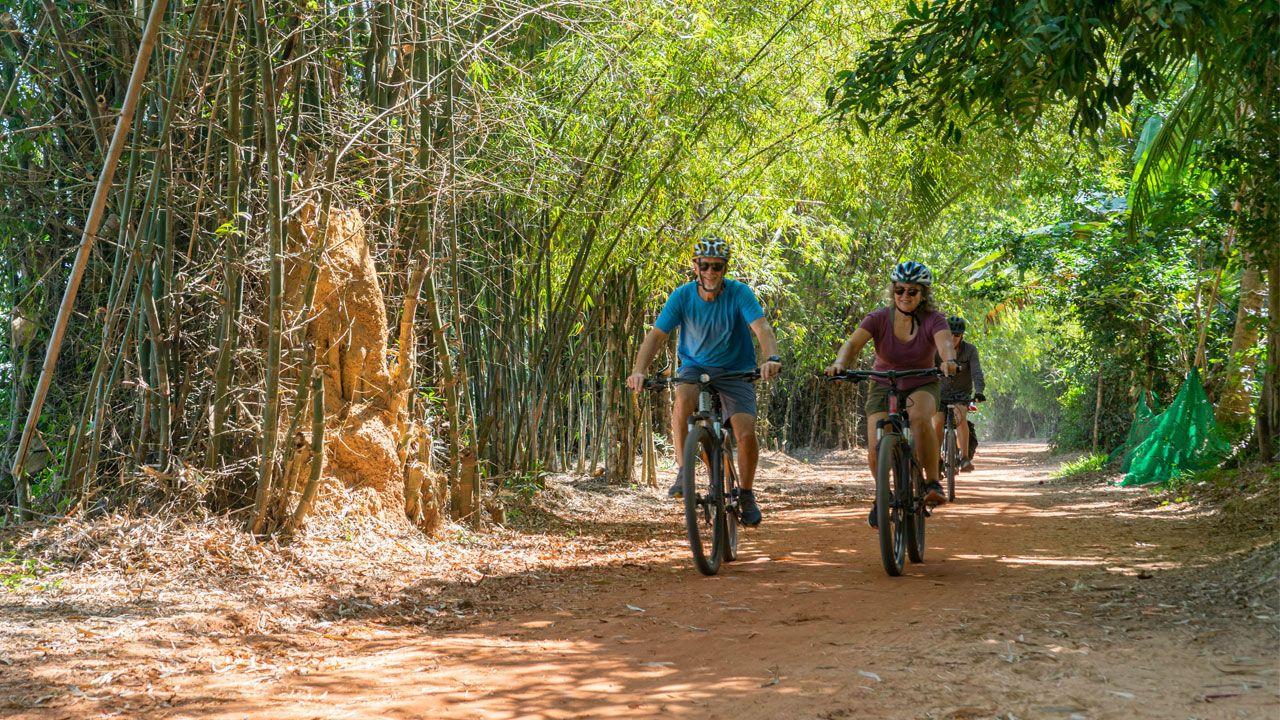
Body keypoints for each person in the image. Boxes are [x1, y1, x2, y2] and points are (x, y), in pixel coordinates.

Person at [626, 237, 782, 527]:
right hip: (695, 366)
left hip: (736, 369)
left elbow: (761, 327)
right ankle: (683, 471)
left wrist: (771, 358)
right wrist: (638, 371)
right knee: (683, 399)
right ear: (695, 267)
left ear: (725, 269)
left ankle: (747, 494)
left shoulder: (739, 293)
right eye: (705, 266)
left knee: (745, 432)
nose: (711, 272)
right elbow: (656, 335)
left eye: (717, 267)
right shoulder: (683, 296)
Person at [823, 261, 957, 527]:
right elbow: (852, 344)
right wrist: (840, 363)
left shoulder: (934, 319)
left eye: (912, 291)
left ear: (923, 294)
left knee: (919, 418)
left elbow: (945, 344)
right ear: (893, 291)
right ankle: (883, 495)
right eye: (899, 290)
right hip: (883, 383)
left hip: (922, 382)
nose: (905, 296)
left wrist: (948, 361)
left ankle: (932, 482)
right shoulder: (878, 318)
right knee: (876, 442)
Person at [933, 316, 986, 472]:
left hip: (961, 394)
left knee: (960, 417)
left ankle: (964, 458)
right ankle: (936, 460)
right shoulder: (936, 350)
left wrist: (979, 391)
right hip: (940, 394)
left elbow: (977, 372)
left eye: (956, 335)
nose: (953, 338)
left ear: (962, 335)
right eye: (949, 334)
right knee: (937, 422)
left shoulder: (970, 350)